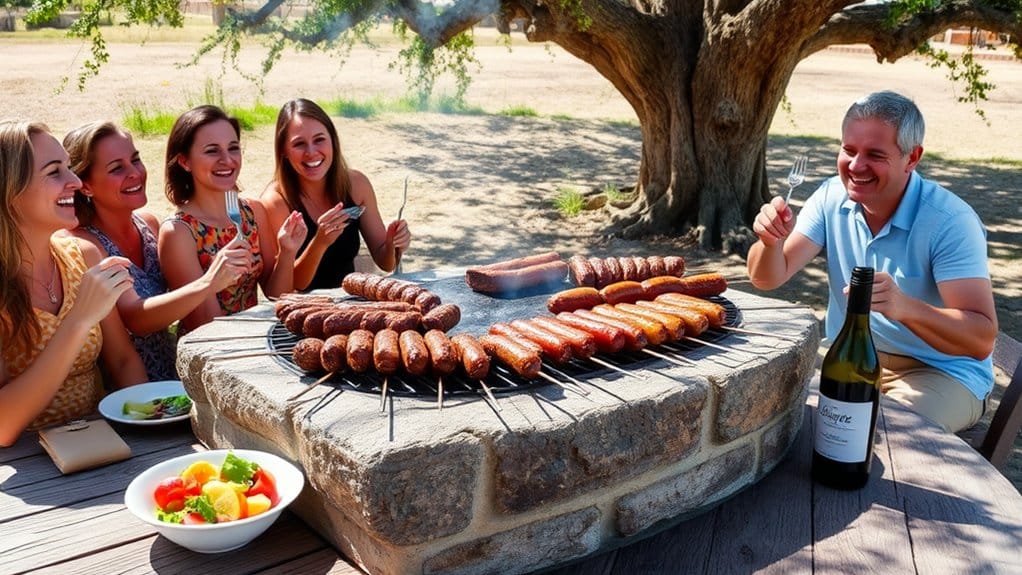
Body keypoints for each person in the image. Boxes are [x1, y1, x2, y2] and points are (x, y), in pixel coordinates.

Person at [747, 90, 998, 433]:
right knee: (771, 415)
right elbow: (766, 278)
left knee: (879, 435)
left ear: (913, 158)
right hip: (848, 359)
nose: (855, 165)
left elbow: (980, 338)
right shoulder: (830, 197)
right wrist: (770, 241)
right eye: (849, 150)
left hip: (941, 372)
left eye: (875, 154)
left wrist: (903, 307)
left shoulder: (949, 221)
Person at [63, 121, 251, 381]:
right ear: (85, 185)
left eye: (135, 160)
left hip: (175, 376)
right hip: (131, 391)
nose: (135, 173)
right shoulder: (85, 245)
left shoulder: (149, 224)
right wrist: (208, 282)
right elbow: (135, 320)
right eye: (117, 168)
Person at [0, 120, 147, 445]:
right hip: (28, 469)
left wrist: (150, 431)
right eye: (55, 172)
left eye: (69, 168)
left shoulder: (83, 257)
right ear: (11, 192)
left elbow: (122, 361)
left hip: (102, 441)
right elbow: (3, 426)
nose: (76, 182)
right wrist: (79, 319)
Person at [159, 105, 307, 332]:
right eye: (212, 151)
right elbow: (206, 326)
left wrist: (286, 252)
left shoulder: (254, 212)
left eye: (233, 148)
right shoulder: (178, 232)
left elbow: (276, 295)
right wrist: (214, 279)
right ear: (184, 161)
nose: (227, 160)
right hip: (208, 352)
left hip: (251, 339)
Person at [259, 98, 411, 291]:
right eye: (299, 144)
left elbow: (385, 263)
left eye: (319, 139)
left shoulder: (357, 185)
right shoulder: (275, 201)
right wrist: (319, 243)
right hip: (304, 310)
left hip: (352, 304)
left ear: (333, 141)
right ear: (284, 151)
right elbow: (290, 287)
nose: (311, 152)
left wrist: (393, 244)